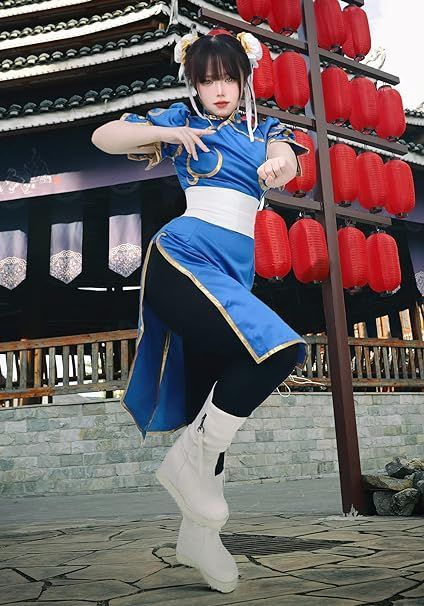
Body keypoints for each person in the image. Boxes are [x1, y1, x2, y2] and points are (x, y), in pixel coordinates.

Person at [91, 30, 309, 594]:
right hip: (185, 258)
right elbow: (104, 135)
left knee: (219, 398)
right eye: (207, 79)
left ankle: (199, 534)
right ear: (193, 82)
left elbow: (286, 155)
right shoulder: (181, 122)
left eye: (228, 78)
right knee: (282, 349)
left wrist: (280, 164)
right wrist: (166, 131)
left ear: (244, 81)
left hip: (233, 274)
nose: (218, 89)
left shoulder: (264, 131)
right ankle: (187, 464)